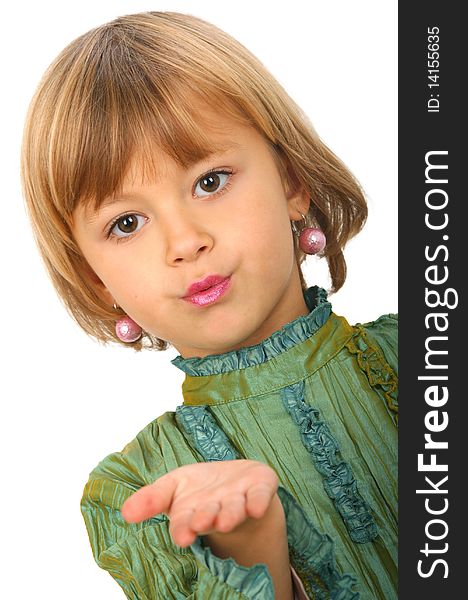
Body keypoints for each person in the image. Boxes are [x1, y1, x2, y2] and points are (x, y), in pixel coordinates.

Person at [20, 10, 397, 600]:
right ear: (96, 280)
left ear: (291, 182)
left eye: (210, 181)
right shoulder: (139, 492)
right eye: (126, 222)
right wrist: (254, 551)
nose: (184, 241)